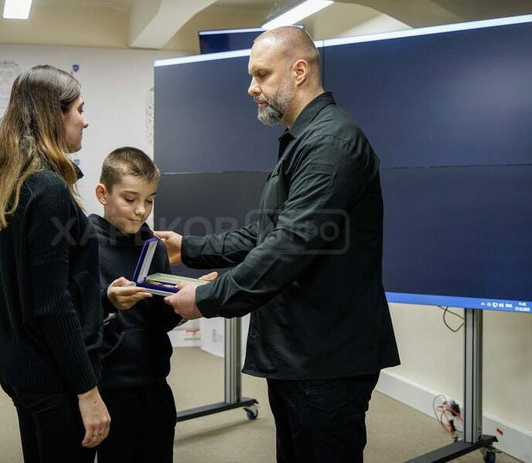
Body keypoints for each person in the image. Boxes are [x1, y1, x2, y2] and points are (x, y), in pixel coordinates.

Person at [156, 27, 400, 463]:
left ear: (299, 71)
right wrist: (187, 248)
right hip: (299, 352)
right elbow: (263, 234)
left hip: (325, 358)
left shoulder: (331, 143)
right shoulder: (304, 140)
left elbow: (288, 246)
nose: (252, 88)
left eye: (262, 74)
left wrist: (208, 298)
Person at [0, 64, 110, 462]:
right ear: (54, 115)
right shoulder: (48, 189)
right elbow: (52, 304)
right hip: (54, 377)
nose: (85, 121)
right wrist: (87, 392)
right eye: (79, 109)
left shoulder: (13, 181)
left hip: (23, 369)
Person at [89, 147, 215, 463]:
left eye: (149, 200)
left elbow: (159, 319)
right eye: (130, 199)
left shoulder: (153, 247)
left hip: (155, 381)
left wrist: (190, 299)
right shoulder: (84, 245)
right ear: (103, 194)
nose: (140, 211)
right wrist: (108, 302)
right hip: (108, 387)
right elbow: (74, 318)